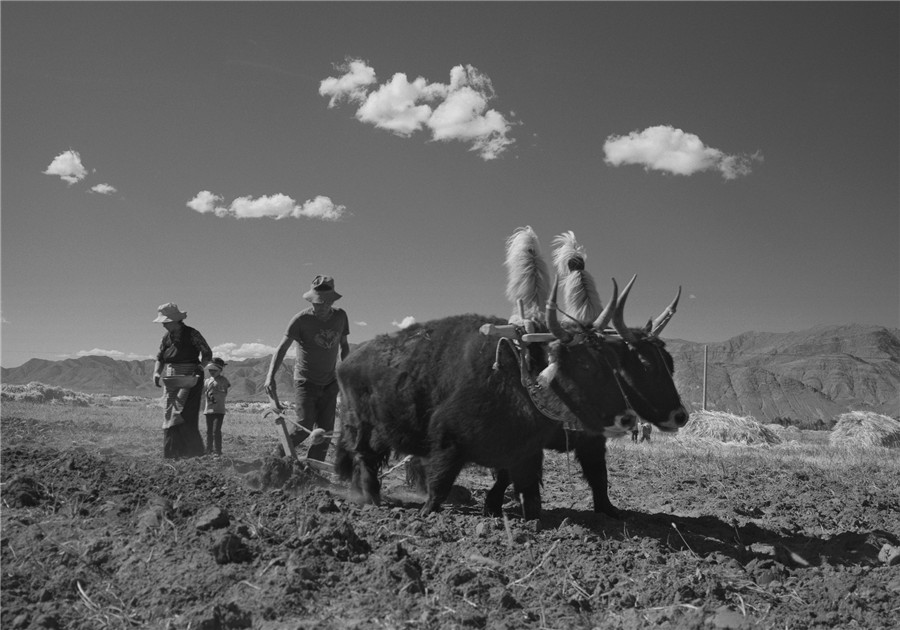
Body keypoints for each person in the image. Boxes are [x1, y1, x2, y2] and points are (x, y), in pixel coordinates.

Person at [265, 275, 350, 462]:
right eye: (318, 303)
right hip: (306, 381)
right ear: (311, 300)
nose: (322, 306)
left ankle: (313, 472)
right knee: (304, 426)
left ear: (332, 300)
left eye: (326, 302)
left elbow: (344, 345)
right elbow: (281, 349)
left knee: (325, 432)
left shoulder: (341, 317)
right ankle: (275, 459)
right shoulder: (301, 320)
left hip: (330, 382)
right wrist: (270, 377)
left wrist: (348, 372)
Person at [152, 302, 212, 459]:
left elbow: (207, 353)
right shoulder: (166, 338)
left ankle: (193, 453)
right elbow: (159, 357)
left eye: (165, 322)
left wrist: (200, 367)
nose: (163, 325)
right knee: (169, 413)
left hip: (190, 378)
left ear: (174, 320)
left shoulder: (192, 334)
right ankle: (171, 453)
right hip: (171, 378)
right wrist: (156, 373)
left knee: (185, 414)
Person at [203, 357, 231, 457]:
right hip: (208, 410)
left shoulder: (223, 380)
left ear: (220, 370)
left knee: (216, 431)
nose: (212, 372)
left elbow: (225, 388)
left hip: (219, 410)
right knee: (209, 431)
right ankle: (208, 450)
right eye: (210, 370)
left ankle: (217, 451)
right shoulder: (206, 381)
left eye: (214, 370)